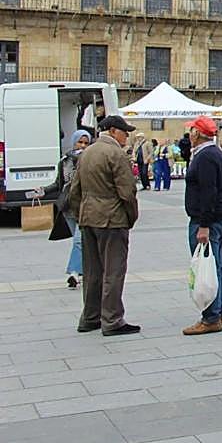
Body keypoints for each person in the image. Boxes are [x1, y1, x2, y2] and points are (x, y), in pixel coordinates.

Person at [66, 115, 140, 336]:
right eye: (125, 132)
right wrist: (131, 217)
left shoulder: (87, 153)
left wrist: (81, 214)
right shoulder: (116, 154)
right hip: (112, 219)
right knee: (114, 270)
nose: (127, 136)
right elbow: (127, 192)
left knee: (92, 271)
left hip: (89, 217)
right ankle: (112, 319)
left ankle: (90, 317)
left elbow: (74, 190)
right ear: (114, 131)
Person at [182, 116, 222, 335]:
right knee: (216, 264)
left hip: (208, 221)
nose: (188, 134)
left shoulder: (205, 158)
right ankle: (221, 311)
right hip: (218, 218)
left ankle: (211, 317)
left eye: (191, 130)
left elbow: (208, 192)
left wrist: (204, 225)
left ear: (198, 133)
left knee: (206, 266)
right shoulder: (214, 154)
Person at [39, 129, 91, 288]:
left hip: (83, 207)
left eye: (86, 143)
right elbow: (58, 183)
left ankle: (74, 272)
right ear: (74, 142)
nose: (82, 146)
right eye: (80, 142)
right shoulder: (64, 161)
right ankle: (84, 271)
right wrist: (43, 190)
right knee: (81, 242)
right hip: (68, 207)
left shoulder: (90, 160)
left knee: (78, 240)